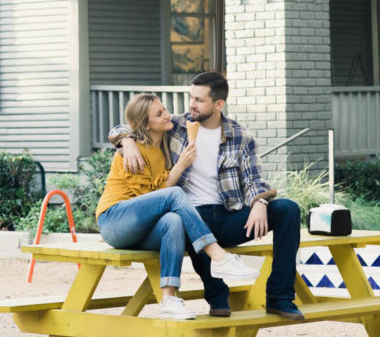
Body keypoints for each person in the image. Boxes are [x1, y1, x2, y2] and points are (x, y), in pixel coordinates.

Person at [112, 72, 304, 321]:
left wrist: (260, 202)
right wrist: (126, 140)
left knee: (288, 209)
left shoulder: (240, 136)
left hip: (228, 215)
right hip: (190, 215)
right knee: (189, 219)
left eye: (199, 100)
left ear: (218, 104)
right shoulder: (176, 126)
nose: (192, 104)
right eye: (191, 97)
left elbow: (256, 180)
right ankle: (217, 297)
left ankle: (280, 297)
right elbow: (127, 125)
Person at [96, 93, 250, 320]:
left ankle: (168, 299)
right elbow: (152, 197)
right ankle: (217, 255)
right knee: (174, 194)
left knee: (173, 221)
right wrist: (127, 141)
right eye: (159, 114)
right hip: (115, 220)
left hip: (142, 229)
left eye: (165, 109)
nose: (168, 115)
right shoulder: (131, 151)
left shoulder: (167, 144)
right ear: (146, 125)